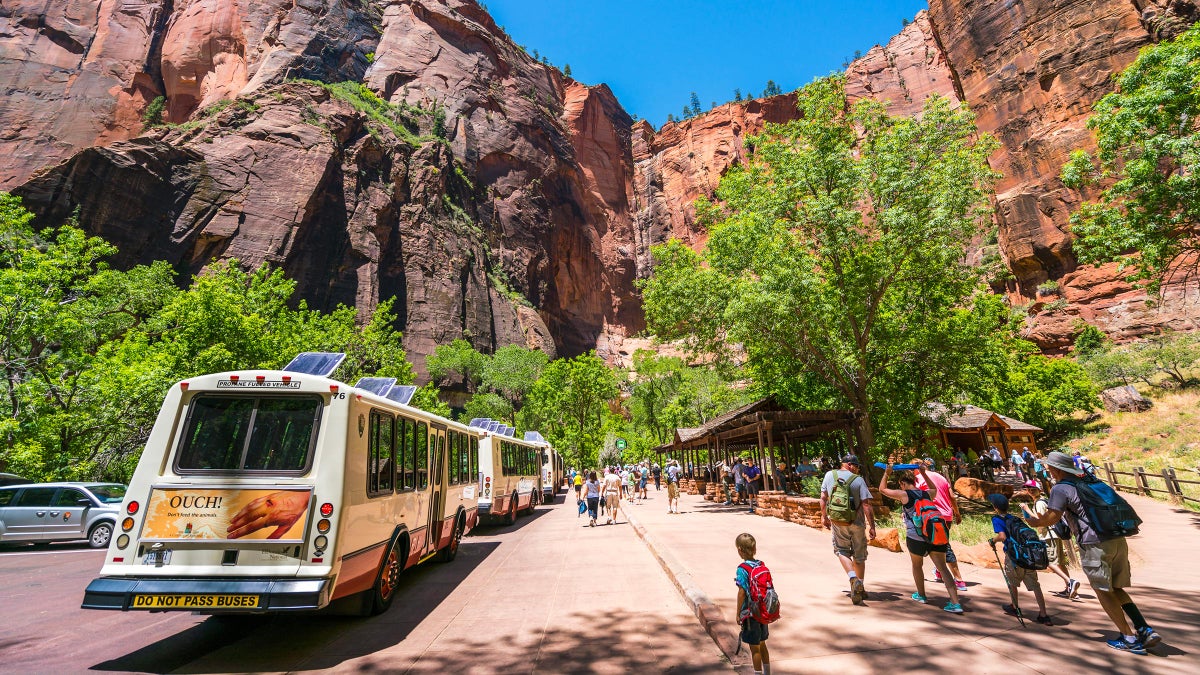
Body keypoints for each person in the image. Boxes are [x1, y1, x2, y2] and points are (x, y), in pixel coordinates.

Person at [1024, 451, 1162, 654]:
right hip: (1116, 539)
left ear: (1056, 469)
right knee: (1115, 587)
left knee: (1103, 591)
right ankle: (1143, 628)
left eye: (1049, 467)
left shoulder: (1060, 488)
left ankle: (1129, 638)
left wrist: (1034, 522)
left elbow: (1052, 517)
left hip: (1094, 543)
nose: (1048, 470)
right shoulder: (1088, 482)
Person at [878, 462, 963, 614]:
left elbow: (882, 490)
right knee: (943, 568)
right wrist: (923, 473)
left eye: (901, 485)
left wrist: (886, 473)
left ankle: (922, 595)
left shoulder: (904, 495)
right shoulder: (927, 493)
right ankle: (955, 603)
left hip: (915, 537)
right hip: (934, 534)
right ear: (915, 481)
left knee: (917, 565)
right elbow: (935, 489)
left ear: (903, 483)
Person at [988, 493, 1052, 625]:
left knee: (1012, 581)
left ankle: (1014, 606)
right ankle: (1043, 614)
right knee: (1035, 585)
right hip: (1027, 556)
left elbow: (1002, 536)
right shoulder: (1014, 518)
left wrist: (992, 541)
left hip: (1013, 556)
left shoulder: (997, 519)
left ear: (995, 508)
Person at [820, 454, 875, 605]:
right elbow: (866, 505)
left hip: (838, 521)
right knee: (859, 555)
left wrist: (824, 516)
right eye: (856, 467)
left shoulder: (829, 475)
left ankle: (852, 578)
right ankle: (860, 586)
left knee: (841, 551)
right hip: (857, 522)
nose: (857, 470)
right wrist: (872, 526)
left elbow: (823, 498)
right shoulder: (858, 480)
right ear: (850, 465)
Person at [914, 458, 968, 592]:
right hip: (947, 515)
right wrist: (957, 513)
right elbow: (952, 497)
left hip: (932, 516)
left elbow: (915, 499)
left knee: (943, 546)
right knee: (939, 544)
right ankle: (939, 571)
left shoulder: (918, 479)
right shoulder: (941, 477)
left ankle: (959, 579)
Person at [1019, 482, 1080, 598]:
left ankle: (1070, 581)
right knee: (1060, 562)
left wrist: (1027, 510)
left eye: (1033, 488)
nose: (1030, 490)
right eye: (1028, 489)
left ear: (1039, 489)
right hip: (1053, 534)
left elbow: (1040, 519)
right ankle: (1069, 588)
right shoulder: (1044, 501)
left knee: (1049, 561)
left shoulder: (1040, 503)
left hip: (1048, 535)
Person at [734, 533, 772, 675]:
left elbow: (742, 592)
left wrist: (738, 613)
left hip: (750, 613)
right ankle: (767, 673)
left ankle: (757, 673)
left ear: (740, 550)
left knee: (754, 648)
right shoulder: (761, 564)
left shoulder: (742, 568)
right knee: (762, 644)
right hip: (763, 611)